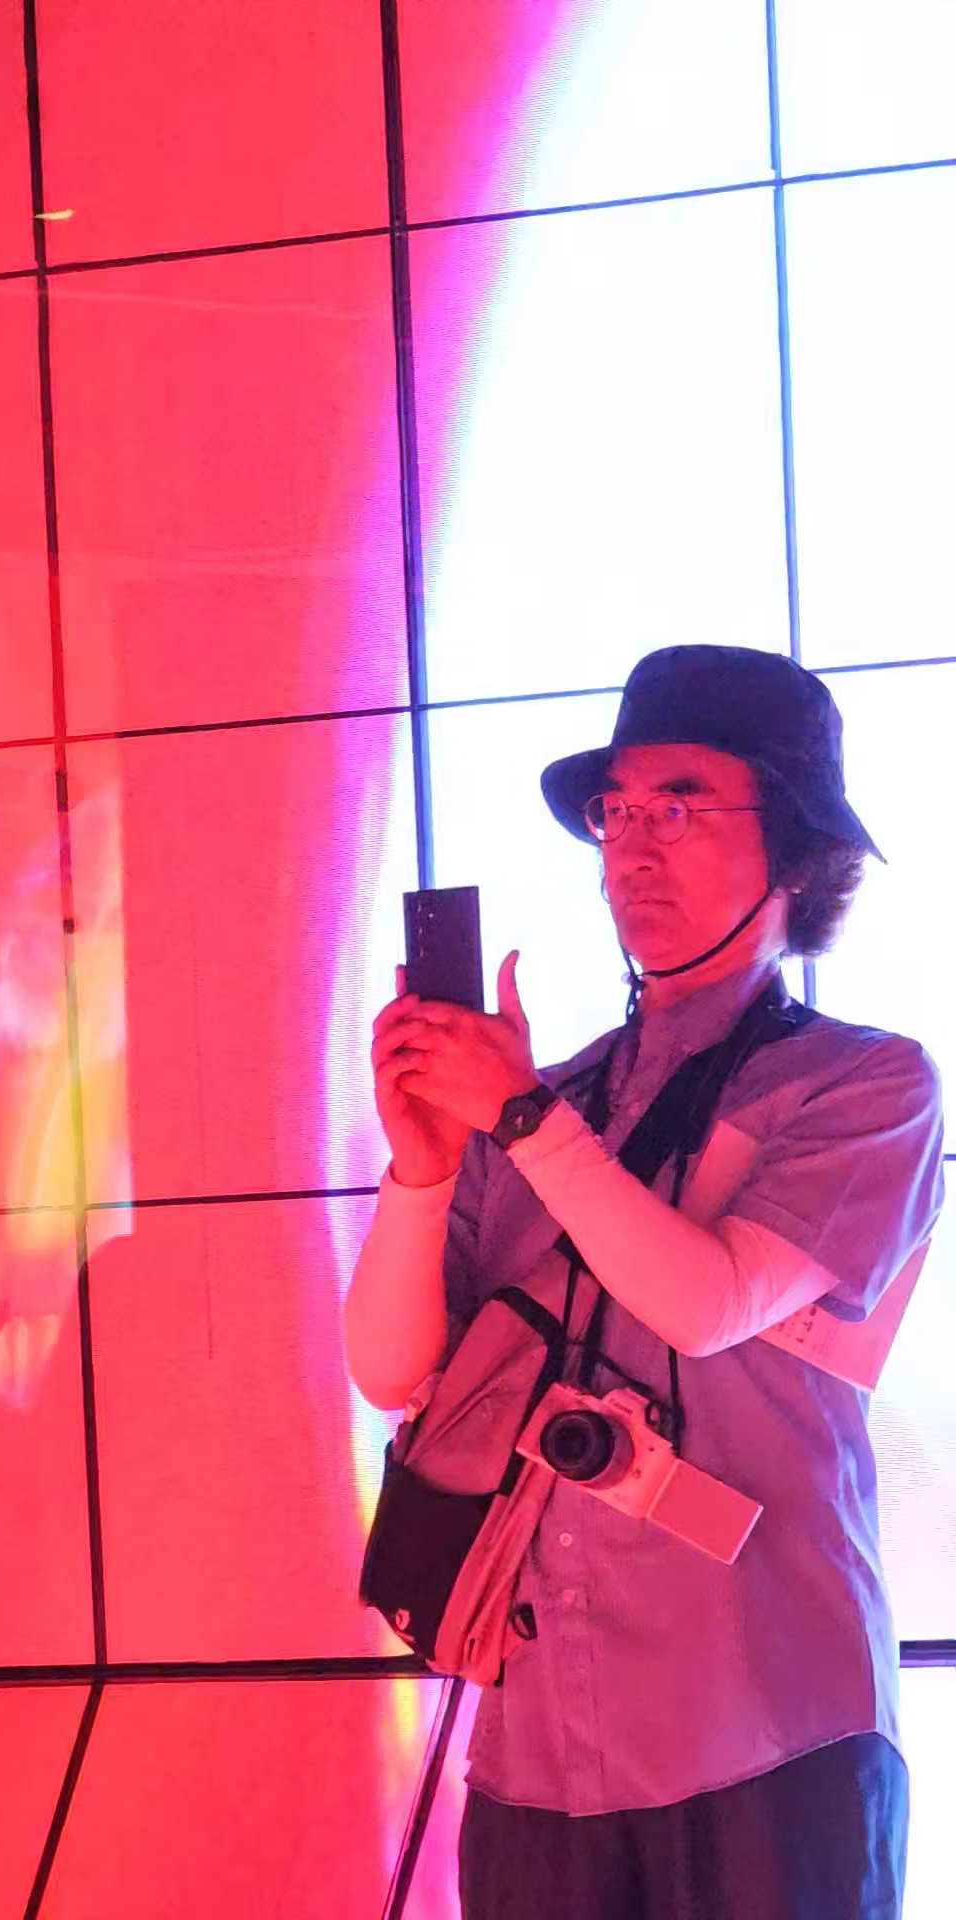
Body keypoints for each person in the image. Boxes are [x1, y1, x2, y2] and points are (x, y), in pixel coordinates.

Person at [343, 645, 944, 1920]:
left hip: (775, 1732)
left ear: (796, 853)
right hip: (534, 1747)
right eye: (616, 812)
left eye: (680, 805)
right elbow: (392, 1372)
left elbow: (705, 1304)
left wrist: (521, 1121)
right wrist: (422, 1168)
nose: (633, 847)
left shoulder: (866, 1085)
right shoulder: (542, 1106)